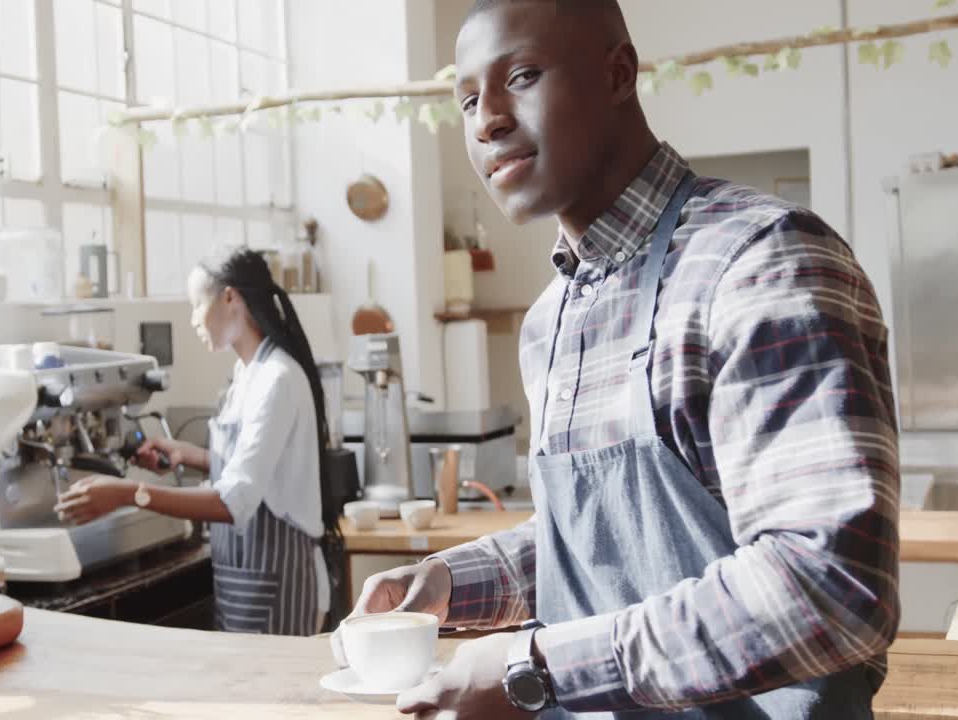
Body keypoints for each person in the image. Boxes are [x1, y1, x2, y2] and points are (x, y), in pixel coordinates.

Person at [334, 0, 900, 717]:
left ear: (618, 73)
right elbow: (608, 553)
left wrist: (531, 665)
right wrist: (451, 582)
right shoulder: (553, 320)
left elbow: (832, 587)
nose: (487, 120)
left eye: (524, 76)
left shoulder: (759, 263)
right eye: (469, 99)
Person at [56, 248, 339, 637]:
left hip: (280, 585)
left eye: (196, 305)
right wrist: (190, 456)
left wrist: (127, 494)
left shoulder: (277, 379)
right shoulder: (248, 372)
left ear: (229, 298)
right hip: (248, 581)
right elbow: (259, 473)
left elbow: (233, 500)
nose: (192, 320)